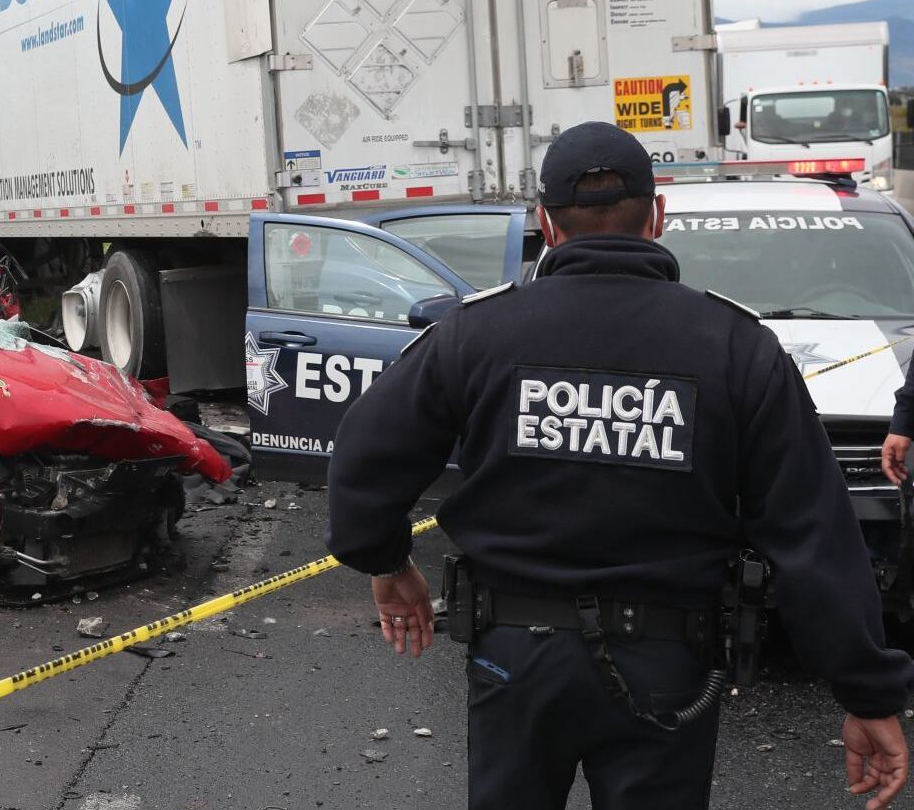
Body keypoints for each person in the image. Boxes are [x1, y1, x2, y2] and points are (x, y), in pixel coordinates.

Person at [326, 121, 913, 810]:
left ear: (544, 222)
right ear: (657, 215)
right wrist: (865, 691)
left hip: (515, 655)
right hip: (669, 662)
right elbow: (812, 533)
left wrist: (388, 563)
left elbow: (363, 462)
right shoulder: (736, 346)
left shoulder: (474, 332)